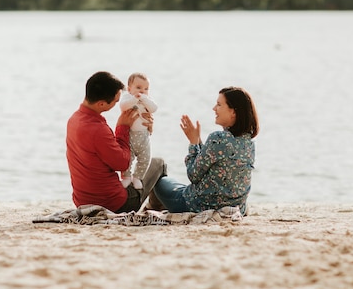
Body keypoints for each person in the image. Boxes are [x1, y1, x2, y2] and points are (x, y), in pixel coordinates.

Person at [66, 71, 166, 213]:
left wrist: (141, 128)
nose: (117, 105)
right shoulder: (98, 129)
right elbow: (122, 164)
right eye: (115, 102)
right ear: (101, 103)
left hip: (82, 201)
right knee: (159, 163)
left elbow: (102, 148)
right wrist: (122, 128)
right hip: (115, 204)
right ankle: (155, 207)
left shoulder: (74, 120)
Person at [152, 87, 259, 215]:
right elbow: (213, 162)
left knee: (158, 179)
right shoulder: (249, 144)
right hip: (237, 207)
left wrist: (193, 143)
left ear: (233, 112)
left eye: (219, 104)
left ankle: (150, 207)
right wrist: (198, 142)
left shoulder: (218, 138)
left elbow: (193, 175)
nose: (214, 108)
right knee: (177, 184)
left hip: (197, 205)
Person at [119, 73, 158, 190]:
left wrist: (144, 99)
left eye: (146, 89)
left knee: (145, 158)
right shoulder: (127, 98)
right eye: (138, 87)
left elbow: (154, 108)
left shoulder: (147, 99)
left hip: (144, 136)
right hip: (130, 135)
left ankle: (137, 177)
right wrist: (134, 98)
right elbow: (123, 106)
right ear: (129, 89)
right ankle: (126, 177)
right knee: (128, 159)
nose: (142, 91)